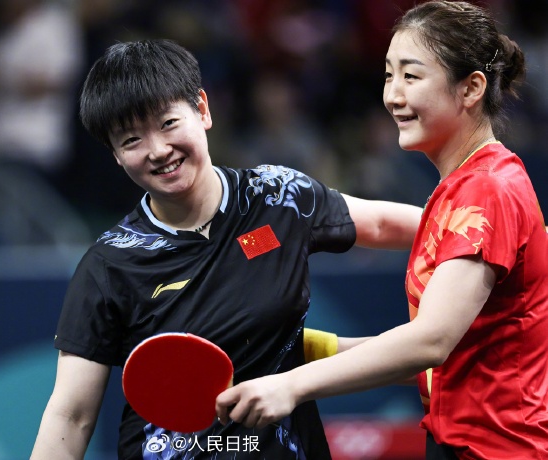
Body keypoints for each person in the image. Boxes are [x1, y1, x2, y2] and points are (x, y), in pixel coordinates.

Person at [30, 39, 422, 460]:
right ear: (116, 156)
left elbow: (392, 225)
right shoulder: (109, 265)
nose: (158, 150)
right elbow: (70, 415)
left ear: (202, 109)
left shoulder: (278, 199)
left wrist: (477, 235)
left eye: (168, 123)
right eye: (131, 140)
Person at [216, 2, 548, 459]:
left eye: (411, 76)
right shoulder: (459, 190)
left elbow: (430, 341)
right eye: (389, 75)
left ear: (471, 88)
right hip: (462, 443)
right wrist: (307, 349)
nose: (393, 95)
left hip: (502, 449)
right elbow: (449, 358)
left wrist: (292, 385)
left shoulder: (487, 189)